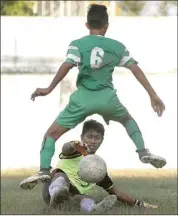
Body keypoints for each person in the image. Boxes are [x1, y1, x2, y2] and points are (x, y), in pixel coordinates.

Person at [20, 4, 166, 190]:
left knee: (51, 135)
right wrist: (153, 95)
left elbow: (67, 64)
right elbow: (135, 68)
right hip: (108, 99)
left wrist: (49, 88)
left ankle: (43, 170)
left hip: (82, 99)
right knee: (127, 120)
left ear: (87, 25)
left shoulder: (78, 44)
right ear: (106, 26)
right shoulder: (117, 46)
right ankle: (143, 151)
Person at [42, 120, 158, 212]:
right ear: (82, 137)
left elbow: (116, 192)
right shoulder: (76, 149)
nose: (93, 141)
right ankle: (57, 191)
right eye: (89, 136)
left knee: (85, 198)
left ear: (102, 140)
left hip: (69, 199)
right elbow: (66, 148)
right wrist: (73, 144)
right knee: (61, 177)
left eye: (97, 138)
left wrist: (139, 203)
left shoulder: (97, 169)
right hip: (50, 190)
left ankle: (92, 208)